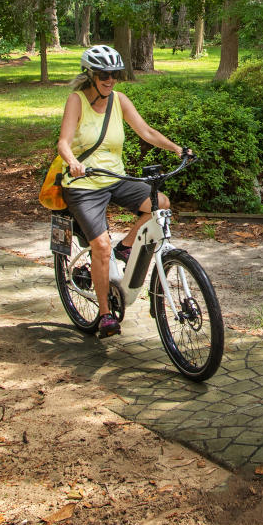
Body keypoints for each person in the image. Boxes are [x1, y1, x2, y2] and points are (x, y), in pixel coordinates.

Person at [57, 45, 190, 338]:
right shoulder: (76, 101)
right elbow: (64, 142)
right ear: (90, 74)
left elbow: (146, 131)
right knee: (101, 247)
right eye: (104, 74)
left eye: (115, 74)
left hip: (114, 177)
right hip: (83, 185)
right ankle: (105, 313)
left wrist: (178, 148)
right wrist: (74, 162)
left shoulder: (119, 100)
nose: (110, 79)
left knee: (161, 204)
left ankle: (127, 246)